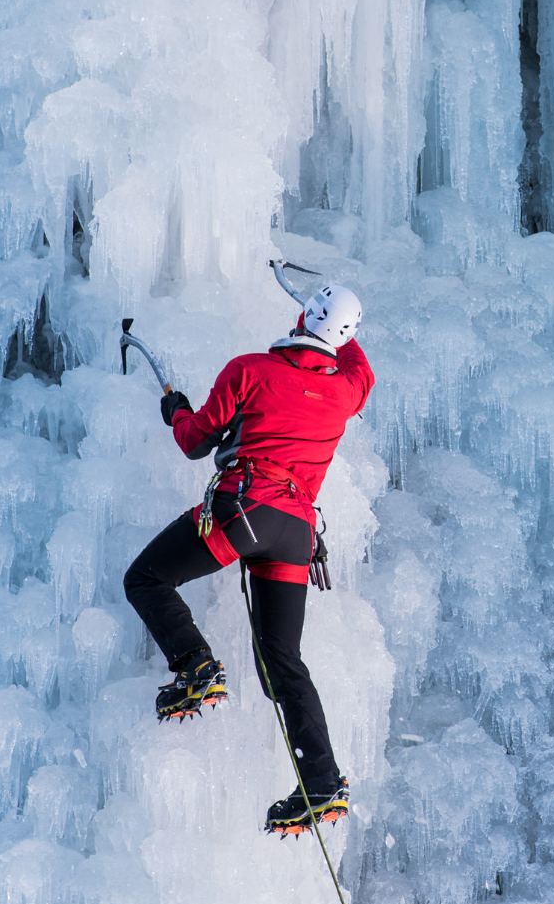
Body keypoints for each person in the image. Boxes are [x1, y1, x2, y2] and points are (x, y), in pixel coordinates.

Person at [122, 281, 373, 835]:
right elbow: (356, 361)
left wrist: (175, 409)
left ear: (304, 317)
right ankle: (323, 782)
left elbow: (195, 441)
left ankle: (196, 667)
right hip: (295, 533)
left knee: (145, 578)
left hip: (246, 511)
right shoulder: (347, 390)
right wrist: (336, 328)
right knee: (282, 659)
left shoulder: (251, 371)